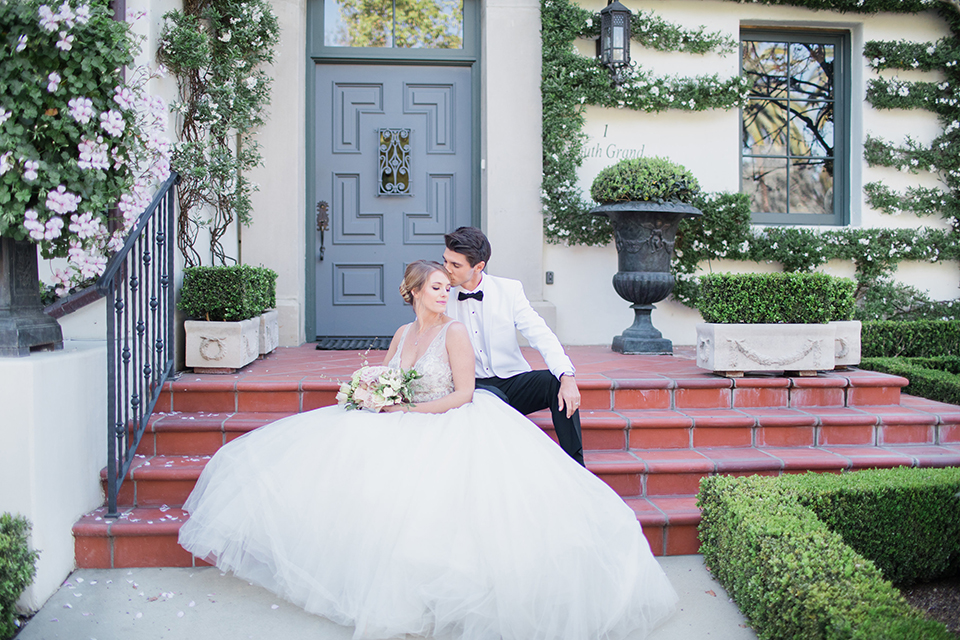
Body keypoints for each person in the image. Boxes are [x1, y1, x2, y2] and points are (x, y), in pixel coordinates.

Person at [178, 260, 677, 640]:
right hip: (400, 415)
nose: (446, 293)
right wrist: (370, 393)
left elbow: (463, 394)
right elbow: (389, 375)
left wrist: (410, 413)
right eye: (437, 287)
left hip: (444, 418)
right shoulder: (401, 333)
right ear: (414, 292)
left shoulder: (455, 331)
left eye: (449, 285)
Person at [442, 227, 585, 465]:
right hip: (469, 387)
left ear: (479, 267)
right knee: (492, 397)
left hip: (510, 380)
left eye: (455, 265)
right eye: (445, 261)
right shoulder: (440, 294)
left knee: (555, 383)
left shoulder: (509, 290)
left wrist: (567, 377)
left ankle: (576, 465)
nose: (447, 269)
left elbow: (541, 334)